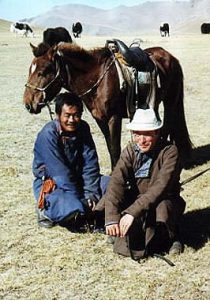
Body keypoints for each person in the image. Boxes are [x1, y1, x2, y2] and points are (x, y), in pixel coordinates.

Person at [96, 108, 186, 260]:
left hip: (161, 200)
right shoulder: (130, 151)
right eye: (137, 134)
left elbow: (160, 188)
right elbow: (116, 182)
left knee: (163, 211)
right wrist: (111, 218)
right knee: (110, 204)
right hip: (137, 200)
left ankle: (172, 236)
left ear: (157, 132)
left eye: (147, 134)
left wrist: (132, 212)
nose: (141, 140)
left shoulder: (170, 151)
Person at [33, 92, 108, 230]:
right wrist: (81, 200)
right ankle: (46, 212)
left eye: (76, 115)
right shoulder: (48, 134)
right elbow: (60, 173)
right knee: (73, 207)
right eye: (67, 115)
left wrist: (91, 194)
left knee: (113, 185)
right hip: (56, 184)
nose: (72, 120)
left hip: (79, 180)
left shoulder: (83, 128)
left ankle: (86, 211)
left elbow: (90, 163)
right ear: (58, 115)